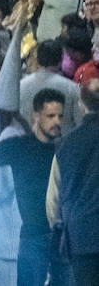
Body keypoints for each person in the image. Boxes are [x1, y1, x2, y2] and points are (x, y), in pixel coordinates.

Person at [0, 90, 67, 286]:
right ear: (36, 115)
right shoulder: (19, 147)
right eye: (50, 116)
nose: (57, 121)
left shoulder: (66, 149)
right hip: (34, 236)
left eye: (60, 116)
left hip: (63, 238)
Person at [48, 80, 99, 286]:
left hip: (80, 237)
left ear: (81, 104)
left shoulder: (64, 144)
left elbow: (52, 201)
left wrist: (59, 229)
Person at [20, 40, 84, 134]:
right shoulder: (72, 88)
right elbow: (80, 123)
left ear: (37, 59)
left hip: (28, 144)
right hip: (62, 145)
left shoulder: (21, 86)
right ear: (60, 60)